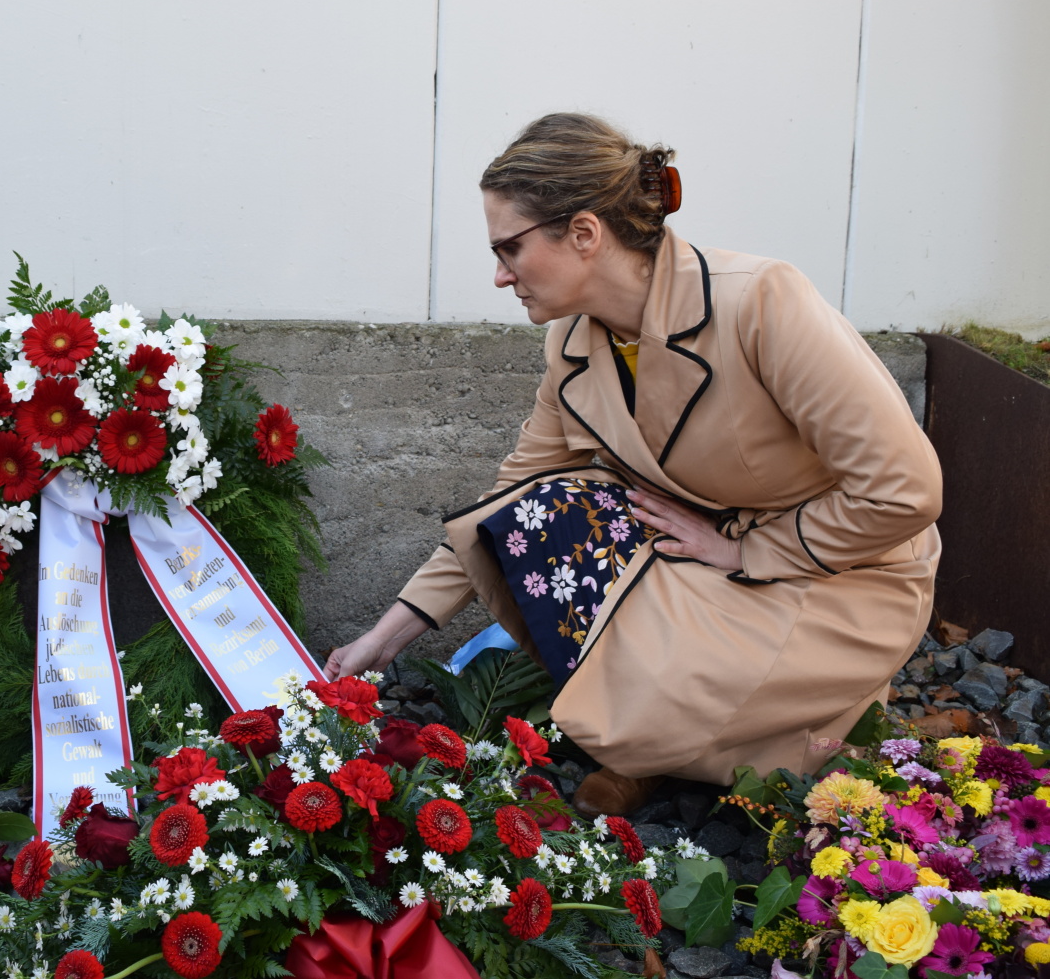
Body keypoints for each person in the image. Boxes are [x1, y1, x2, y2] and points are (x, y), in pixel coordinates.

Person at [323, 113, 942, 816]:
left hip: (840, 575)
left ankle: (810, 738)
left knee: (648, 676)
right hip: (700, 556)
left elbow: (906, 490)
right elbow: (504, 498)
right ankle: (668, 743)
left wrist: (748, 549)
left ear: (584, 234)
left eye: (511, 249)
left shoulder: (762, 301)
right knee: (533, 523)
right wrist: (384, 636)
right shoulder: (575, 347)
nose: (500, 275)